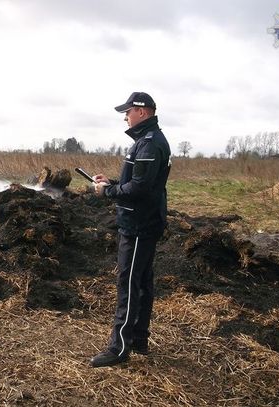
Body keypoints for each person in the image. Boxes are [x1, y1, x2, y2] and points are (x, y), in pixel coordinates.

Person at [90, 91, 171, 368]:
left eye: (128, 111)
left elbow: (139, 189)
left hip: (138, 225)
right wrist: (111, 180)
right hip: (143, 221)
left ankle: (119, 348)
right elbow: (140, 181)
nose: (125, 116)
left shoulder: (148, 144)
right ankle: (138, 339)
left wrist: (108, 191)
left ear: (143, 112)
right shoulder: (147, 142)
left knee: (129, 284)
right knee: (141, 283)